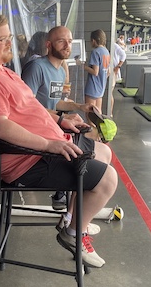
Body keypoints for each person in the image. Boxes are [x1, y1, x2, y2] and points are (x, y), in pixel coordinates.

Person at [0, 11, 118, 268]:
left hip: (43, 148)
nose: (10, 43)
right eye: (3, 39)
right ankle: (73, 233)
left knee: (104, 153)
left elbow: (30, 107)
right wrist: (49, 144)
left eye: (9, 37)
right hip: (29, 160)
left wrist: (59, 121)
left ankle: (73, 219)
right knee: (108, 179)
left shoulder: (0, 71)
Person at [21, 25, 99, 214]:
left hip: (52, 124)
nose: (67, 45)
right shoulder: (36, 67)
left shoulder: (60, 71)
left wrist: (80, 107)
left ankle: (68, 207)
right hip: (37, 131)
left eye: (70, 41)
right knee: (87, 152)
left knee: (88, 135)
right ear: (49, 45)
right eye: (61, 41)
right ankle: (69, 206)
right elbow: (26, 107)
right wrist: (61, 120)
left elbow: (56, 104)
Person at [77, 29, 110, 112]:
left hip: (92, 87)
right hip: (101, 87)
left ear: (94, 41)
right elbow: (108, 72)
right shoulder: (106, 52)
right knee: (98, 113)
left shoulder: (96, 52)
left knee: (90, 113)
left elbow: (95, 72)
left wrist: (82, 66)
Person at [110, 42, 127, 116]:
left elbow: (123, 55)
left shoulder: (115, 46)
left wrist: (118, 66)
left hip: (113, 72)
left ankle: (110, 112)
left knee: (110, 93)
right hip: (109, 71)